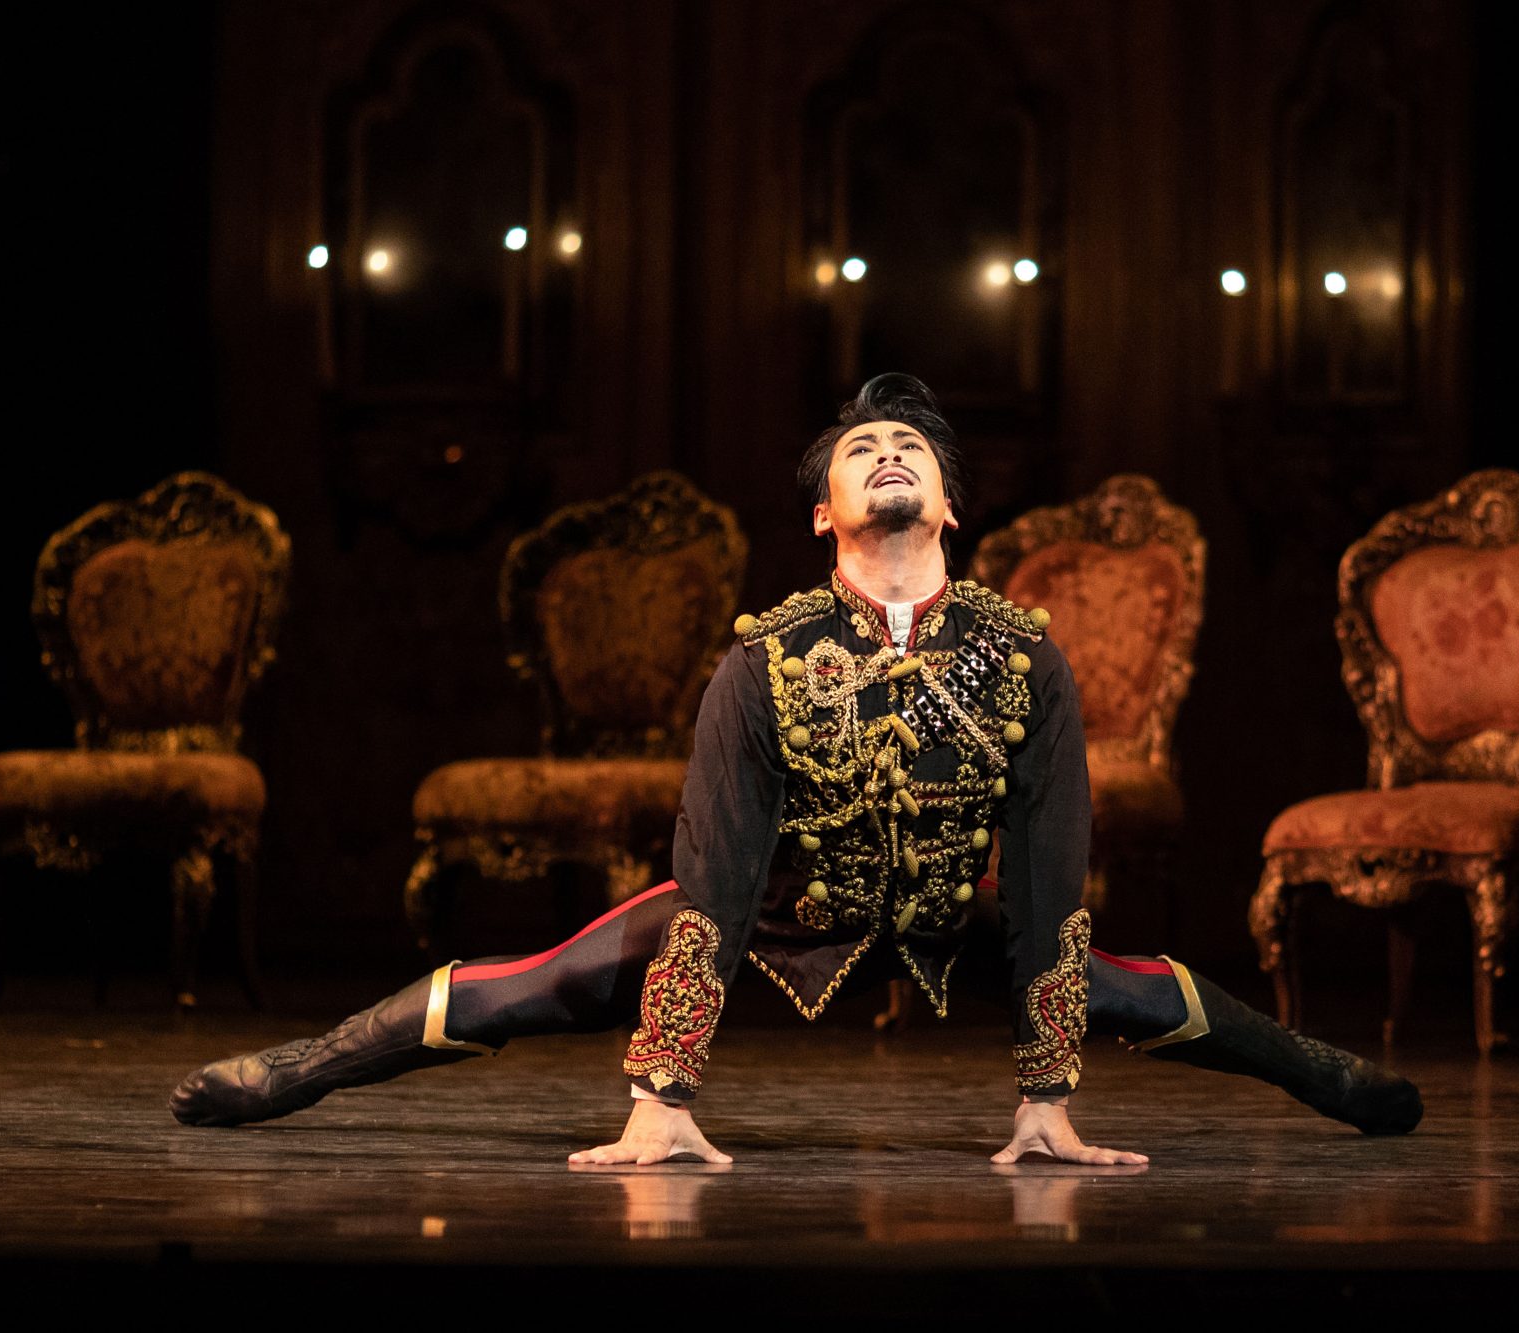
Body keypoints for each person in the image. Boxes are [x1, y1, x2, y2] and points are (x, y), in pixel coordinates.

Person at [170, 373, 1422, 1164]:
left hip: (941, 911)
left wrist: (1044, 1096)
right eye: (861, 446)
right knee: (526, 988)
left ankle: (1340, 1083)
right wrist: (662, 1091)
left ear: (947, 504)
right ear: (823, 510)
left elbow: (1047, 872)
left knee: (1141, 988)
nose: (888, 453)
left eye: (911, 448)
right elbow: (713, 875)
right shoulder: (761, 663)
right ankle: (287, 1077)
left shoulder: (1025, 660)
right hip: (770, 906)